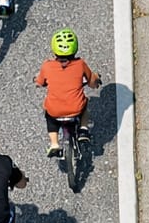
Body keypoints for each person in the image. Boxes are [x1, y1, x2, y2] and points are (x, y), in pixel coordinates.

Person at [34, 29, 101, 158]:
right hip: (75, 108)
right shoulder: (80, 64)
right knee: (85, 103)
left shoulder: (47, 66)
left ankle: (54, 144)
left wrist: (37, 81)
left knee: (49, 116)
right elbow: (92, 82)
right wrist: (96, 79)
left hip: (55, 111)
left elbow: (40, 82)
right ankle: (83, 129)